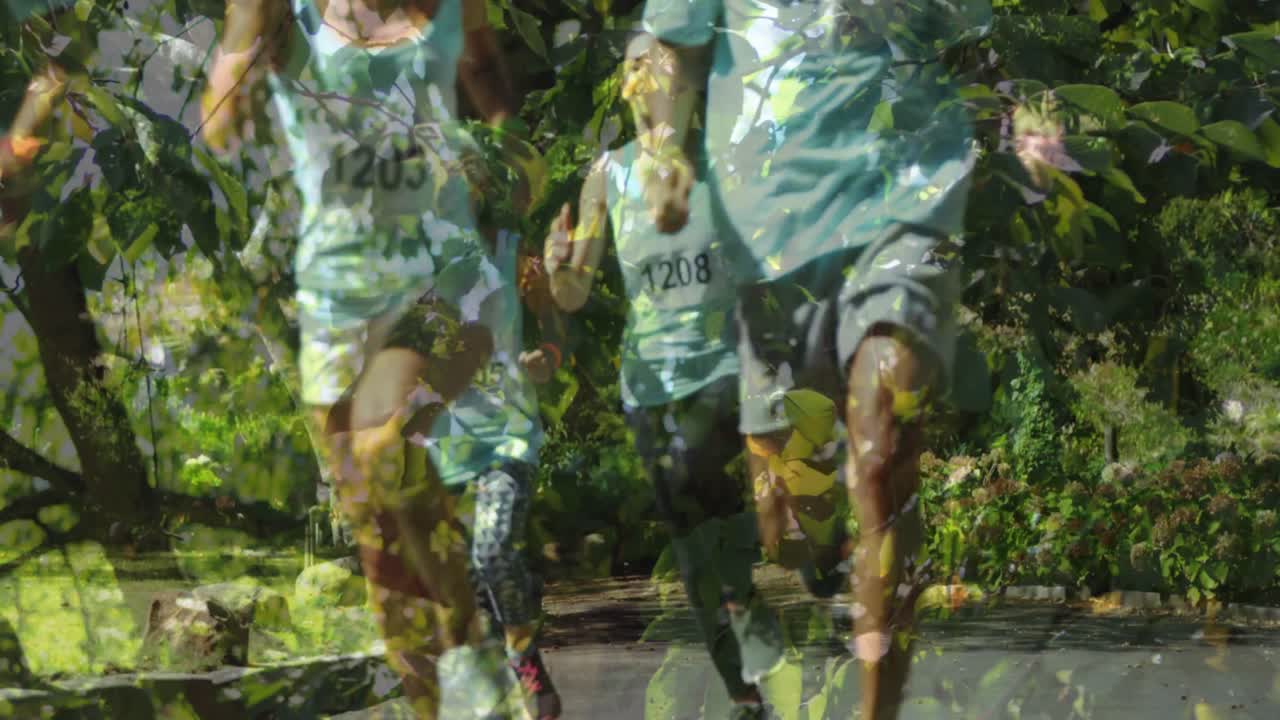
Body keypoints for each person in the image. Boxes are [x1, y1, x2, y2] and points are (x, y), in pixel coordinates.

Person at [631, 1, 989, 717]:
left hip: (903, 201)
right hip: (773, 238)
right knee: (789, 526)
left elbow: (977, 37)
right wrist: (663, 145)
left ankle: (874, 709)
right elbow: (668, 47)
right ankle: (832, 568)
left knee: (882, 441)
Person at [201, 1, 555, 716]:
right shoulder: (290, 14)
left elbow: (487, 75)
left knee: (389, 444)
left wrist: (504, 159)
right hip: (336, 293)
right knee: (385, 548)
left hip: (440, 270)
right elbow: (219, 126)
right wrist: (244, 50)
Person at [543, 34, 787, 720]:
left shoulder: (719, 168)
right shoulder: (608, 176)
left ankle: (750, 607)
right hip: (646, 387)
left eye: (661, 61)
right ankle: (745, 690)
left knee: (702, 494)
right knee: (691, 553)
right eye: (634, 62)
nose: (646, 71)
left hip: (715, 373)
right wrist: (559, 262)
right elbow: (574, 293)